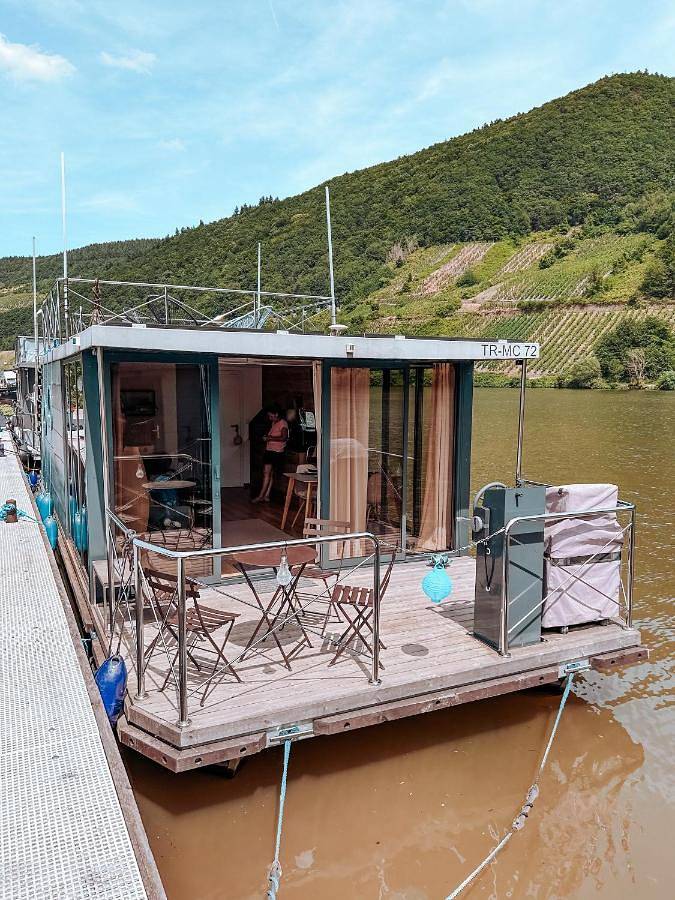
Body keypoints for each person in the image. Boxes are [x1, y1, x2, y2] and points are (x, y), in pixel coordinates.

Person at [253, 405, 288, 503]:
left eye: (271, 416)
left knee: (267, 473)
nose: (270, 418)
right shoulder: (274, 422)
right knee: (268, 473)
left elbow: (284, 437)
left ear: (276, 414)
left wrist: (270, 438)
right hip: (269, 450)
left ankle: (261, 496)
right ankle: (266, 496)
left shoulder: (283, 423)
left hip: (276, 452)